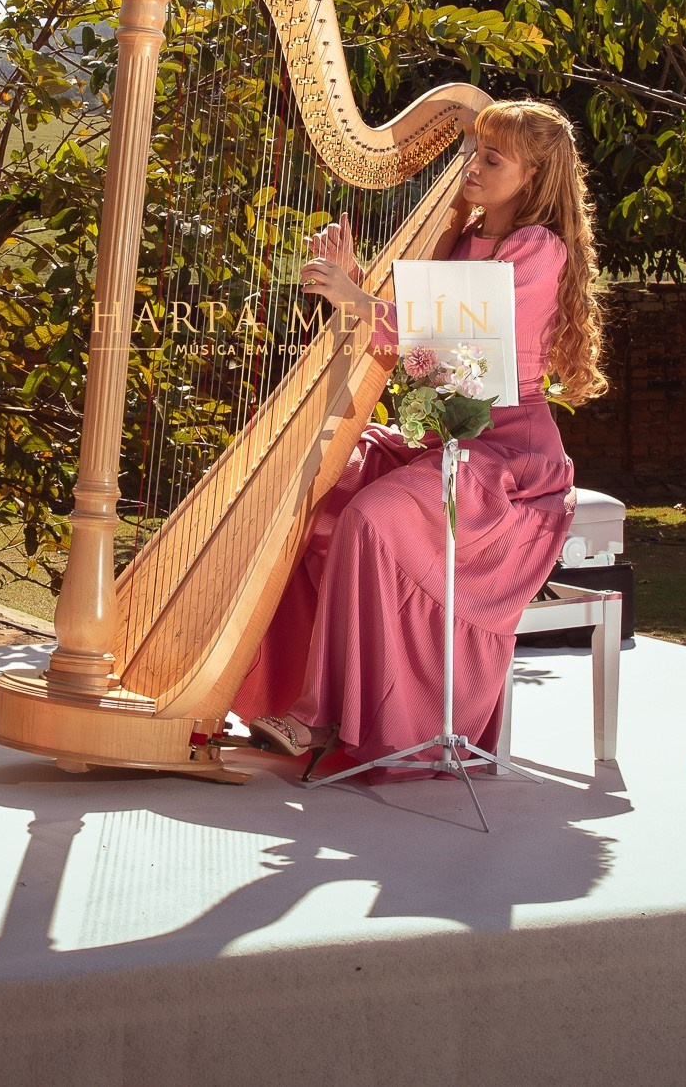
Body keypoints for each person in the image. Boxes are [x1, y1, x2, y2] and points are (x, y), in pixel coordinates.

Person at [235, 99, 605, 771]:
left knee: (375, 516)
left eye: (493, 158)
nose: (473, 165)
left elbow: (453, 341)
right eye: (473, 151)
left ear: (534, 176)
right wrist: (361, 277)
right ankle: (285, 686)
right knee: (322, 486)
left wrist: (356, 296)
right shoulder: (463, 238)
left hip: (508, 453)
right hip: (441, 437)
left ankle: (321, 719)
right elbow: (417, 332)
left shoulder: (537, 250)